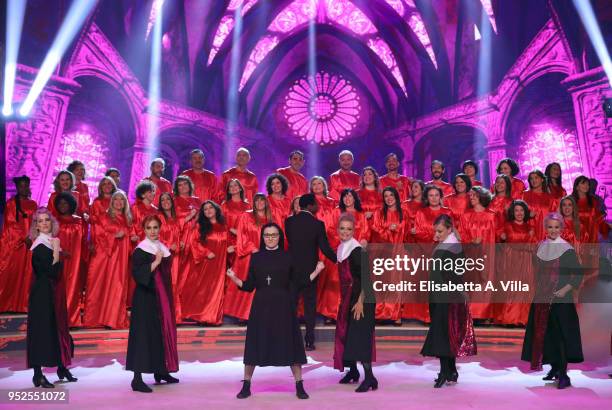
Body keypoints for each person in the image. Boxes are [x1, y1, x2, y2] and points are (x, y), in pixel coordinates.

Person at [226, 223, 324, 400]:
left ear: (279, 237)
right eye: (267, 235)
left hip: (284, 307)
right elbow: (249, 286)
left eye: (274, 235)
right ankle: (246, 385)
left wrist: (316, 271)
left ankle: (299, 385)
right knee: (254, 345)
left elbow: (300, 282)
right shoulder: (256, 258)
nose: (270, 238)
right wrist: (234, 278)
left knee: (292, 345)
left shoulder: (288, 257)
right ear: (263, 238)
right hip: (261, 307)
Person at [521, 212, 584, 389]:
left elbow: (578, 275)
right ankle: (554, 368)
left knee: (561, 337)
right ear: (545, 228)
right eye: (550, 227)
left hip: (560, 301)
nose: (553, 230)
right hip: (542, 298)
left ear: (562, 229)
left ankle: (564, 375)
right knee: (546, 335)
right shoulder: (541, 246)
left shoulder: (567, 249)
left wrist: (564, 290)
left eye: (557, 227)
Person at [421, 214, 476, 388]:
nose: (436, 234)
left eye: (440, 231)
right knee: (446, 334)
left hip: (448, 297)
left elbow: (456, 274)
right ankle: (451, 370)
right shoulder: (446, 245)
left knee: (443, 335)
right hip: (441, 295)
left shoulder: (453, 247)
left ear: (449, 229)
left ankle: (445, 371)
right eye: (435, 231)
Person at [127, 215, 179, 393]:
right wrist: (156, 262)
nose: (153, 231)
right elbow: (138, 275)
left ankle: (160, 371)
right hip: (146, 298)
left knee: (160, 333)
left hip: (162, 297)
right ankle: (137, 379)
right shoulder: (141, 250)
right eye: (149, 228)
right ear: (144, 230)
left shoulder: (161, 247)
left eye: (155, 227)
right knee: (143, 336)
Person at [27, 208, 77, 388]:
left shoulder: (49, 242)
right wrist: (57, 250)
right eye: (40, 221)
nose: (44, 223)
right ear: (36, 226)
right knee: (43, 331)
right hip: (43, 293)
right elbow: (52, 272)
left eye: (47, 220)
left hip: (54, 292)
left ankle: (62, 366)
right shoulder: (41, 245)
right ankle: (38, 374)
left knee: (59, 327)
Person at [285, 193, 337, 350]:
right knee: (309, 306)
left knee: (291, 306)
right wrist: (339, 260)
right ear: (309, 206)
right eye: (316, 204)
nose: (318, 206)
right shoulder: (317, 224)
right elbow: (325, 248)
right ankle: (309, 341)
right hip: (310, 271)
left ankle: (290, 340)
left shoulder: (289, 222)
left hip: (292, 270)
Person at [334, 213, 377, 392]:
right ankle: (353, 371)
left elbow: (367, 278)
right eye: (342, 228)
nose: (345, 232)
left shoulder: (358, 250)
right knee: (347, 334)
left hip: (362, 298)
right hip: (348, 298)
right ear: (338, 229)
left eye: (349, 229)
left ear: (354, 230)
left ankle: (369, 378)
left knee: (360, 337)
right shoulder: (341, 248)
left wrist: (360, 302)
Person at [83, 191, 132, 329]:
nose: (118, 202)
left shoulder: (127, 219)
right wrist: (114, 236)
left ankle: (112, 318)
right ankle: (95, 319)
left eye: (122, 199)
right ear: (111, 202)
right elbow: (98, 235)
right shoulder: (103, 217)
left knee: (117, 285)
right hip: (104, 257)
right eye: (116, 199)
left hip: (120, 259)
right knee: (100, 284)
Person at [181, 201, 233, 324]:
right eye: (205, 209)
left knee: (216, 289)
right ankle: (200, 315)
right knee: (202, 289)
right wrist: (206, 252)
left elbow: (228, 241)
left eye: (211, 208)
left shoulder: (224, 225)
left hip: (219, 264)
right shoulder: (200, 226)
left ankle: (212, 317)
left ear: (216, 210)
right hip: (205, 263)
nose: (208, 210)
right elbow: (194, 242)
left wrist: (231, 248)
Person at [223, 194, 273, 321]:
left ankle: (259, 314)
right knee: (247, 283)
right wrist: (253, 248)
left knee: (262, 286)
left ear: (266, 202)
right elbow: (242, 234)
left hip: (265, 256)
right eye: (257, 201)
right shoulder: (247, 215)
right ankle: (243, 315)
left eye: (262, 200)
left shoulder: (270, 218)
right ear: (253, 203)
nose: (260, 203)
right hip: (248, 255)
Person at [0, 176, 38, 313]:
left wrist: (31, 236)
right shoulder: (11, 204)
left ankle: (21, 305)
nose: (24, 188)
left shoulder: (33, 204)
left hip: (30, 243)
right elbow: (11, 224)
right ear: (17, 187)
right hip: (15, 244)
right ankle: (6, 304)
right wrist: (24, 237)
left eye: (26, 185)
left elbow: (36, 222)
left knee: (27, 274)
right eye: (21, 186)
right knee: (11, 273)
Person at [495, 200, 537, 325]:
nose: (519, 213)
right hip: (511, 261)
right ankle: (510, 317)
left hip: (526, 262)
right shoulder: (507, 226)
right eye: (516, 210)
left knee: (525, 290)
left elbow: (533, 245)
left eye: (522, 210)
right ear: (513, 212)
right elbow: (500, 239)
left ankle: (524, 319)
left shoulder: (530, 227)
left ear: (526, 212)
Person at [54, 193, 84, 327]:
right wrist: (60, 251)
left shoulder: (79, 221)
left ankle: (71, 318)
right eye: (60, 203)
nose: (62, 206)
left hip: (75, 260)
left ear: (71, 204)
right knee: (59, 286)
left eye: (65, 203)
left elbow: (83, 240)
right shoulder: (54, 221)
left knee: (73, 287)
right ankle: (57, 318)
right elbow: (50, 241)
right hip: (59, 258)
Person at [158, 193, 183, 320]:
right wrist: (168, 245)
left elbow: (179, 235)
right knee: (165, 283)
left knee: (174, 283)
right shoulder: (158, 217)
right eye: (162, 200)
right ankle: (164, 314)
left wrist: (180, 243)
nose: (165, 201)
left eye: (168, 199)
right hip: (163, 256)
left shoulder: (175, 218)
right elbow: (155, 236)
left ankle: (174, 315)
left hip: (176, 256)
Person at [522, 170, 558, 240]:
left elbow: (554, 216)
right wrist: (527, 215)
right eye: (531, 178)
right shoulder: (524, 195)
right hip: (529, 231)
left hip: (545, 231)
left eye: (536, 178)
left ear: (542, 179)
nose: (533, 180)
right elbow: (518, 212)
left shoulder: (550, 197)